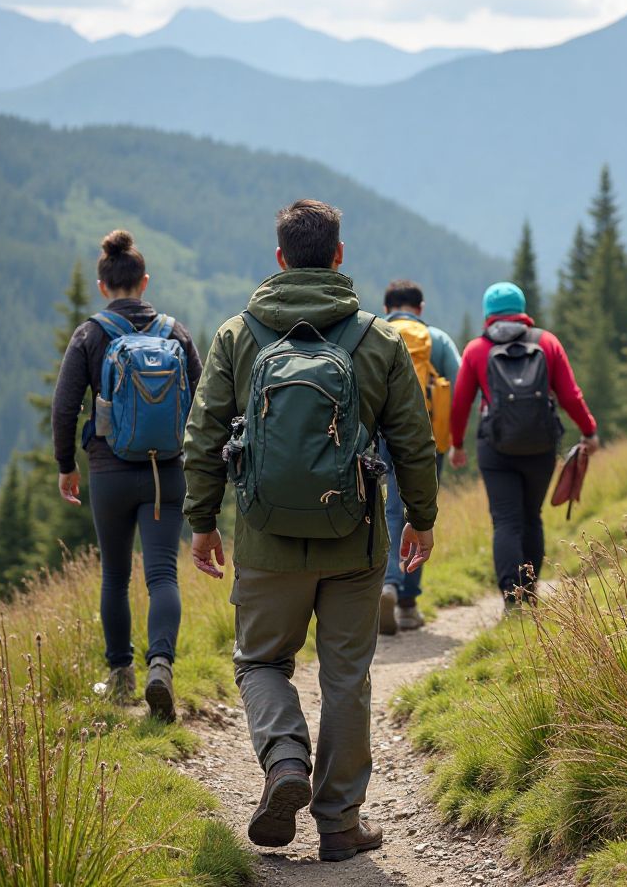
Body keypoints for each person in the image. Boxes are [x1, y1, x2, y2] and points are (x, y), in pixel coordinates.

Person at [183, 199, 438, 861]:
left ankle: (285, 760)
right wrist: (421, 518)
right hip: (353, 542)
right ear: (338, 256)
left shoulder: (238, 336)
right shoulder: (377, 339)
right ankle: (339, 823)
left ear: (278, 260)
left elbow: (204, 434)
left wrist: (203, 522)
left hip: (266, 541)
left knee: (261, 660)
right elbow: (413, 439)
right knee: (346, 676)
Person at [52, 229, 202, 721]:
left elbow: (64, 407)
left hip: (109, 471)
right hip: (166, 474)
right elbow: (203, 404)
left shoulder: (90, 334)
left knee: (115, 576)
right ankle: (162, 664)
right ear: (144, 281)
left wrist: (66, 465)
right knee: (162, 574)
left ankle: (121, 678)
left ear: (103, 285)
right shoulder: (174, 332)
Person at [449, 281, 598, 610]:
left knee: (505, 520)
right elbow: (570, 395)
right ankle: (530, 592)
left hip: (495, 447)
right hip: (541, 446)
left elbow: (460, 404)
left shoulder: (476, 350)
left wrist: (457, 445)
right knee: (532, 516)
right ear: (522, 309)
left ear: (488, 313)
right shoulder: (546, 342)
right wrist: (589, 431)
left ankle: (512, 600)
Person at [378, 279, 461, 635]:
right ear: (421, 308)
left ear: (387, 308)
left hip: (379, 438)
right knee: (417, 511)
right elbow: (458, 386)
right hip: (426, 440)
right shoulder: (437, 340)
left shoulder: (376, 334)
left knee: (388, 510)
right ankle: (407, 603)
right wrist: (456, 440)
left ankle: (387, 585)